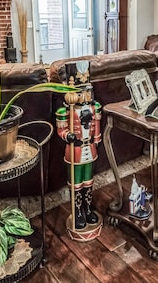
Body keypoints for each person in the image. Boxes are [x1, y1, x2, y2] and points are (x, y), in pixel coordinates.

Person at [56, 83, 102, 230]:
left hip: (90, 148)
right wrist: (68, 135)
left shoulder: (94, 108)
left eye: (88, 91)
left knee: (88, 181)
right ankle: (77, 212)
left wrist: (96, 140)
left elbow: (97, 128)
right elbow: (61, 130)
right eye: (82, 91)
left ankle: (87, 209)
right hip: (75, 151)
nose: (86, 94)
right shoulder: (66, 110)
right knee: (76, 183)